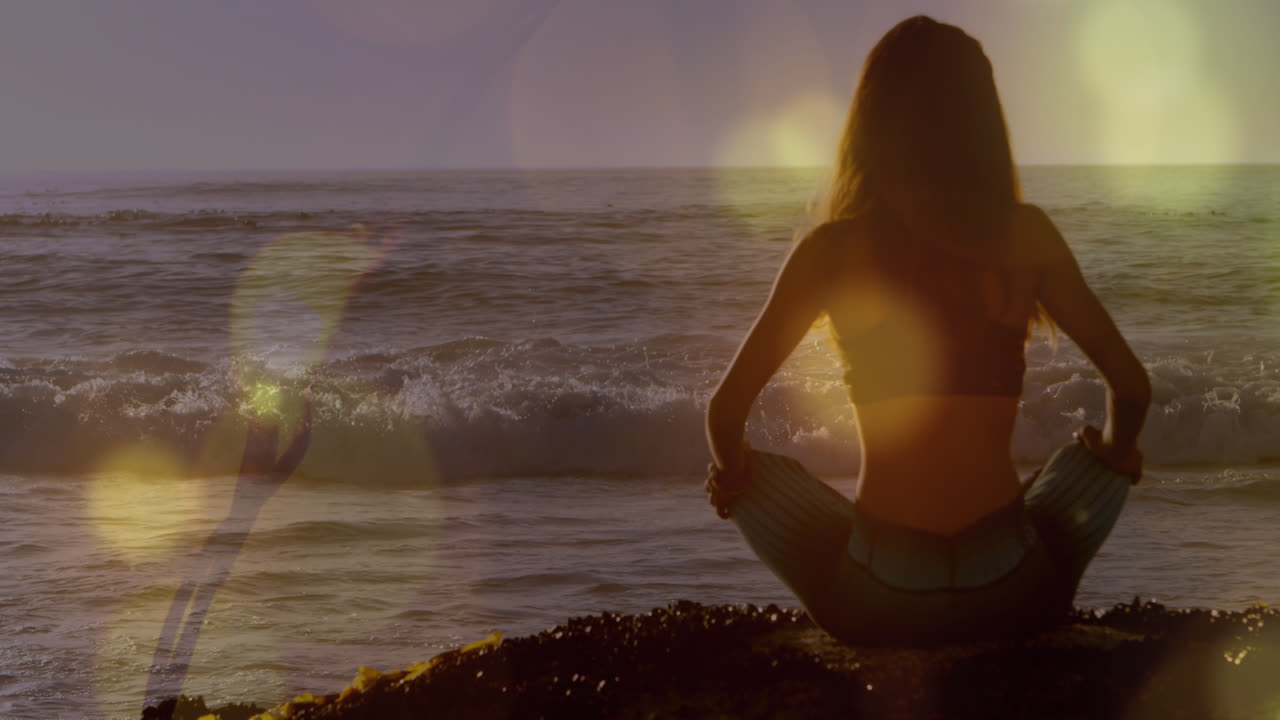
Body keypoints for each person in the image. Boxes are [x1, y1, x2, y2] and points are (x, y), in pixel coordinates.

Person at [704, 16, 1151, 643]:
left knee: (760, 479)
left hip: (878, 596)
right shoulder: (1026, 235)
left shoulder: (829, 251)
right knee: (1082, 468)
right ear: (982, 122)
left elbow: (725, 416)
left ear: (871, 121)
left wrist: (733, 479)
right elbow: (1131, 389)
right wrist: (1115, 454)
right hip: (1013, 588)